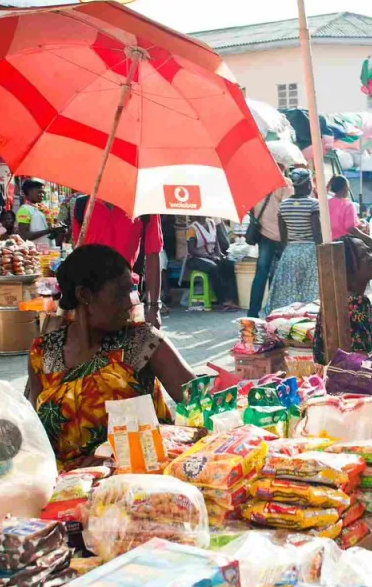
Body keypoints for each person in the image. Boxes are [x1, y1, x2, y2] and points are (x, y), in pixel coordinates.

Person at [27, 245, 194, 470]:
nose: (130, 302)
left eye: (132, 290)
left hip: (138, 484)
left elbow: (199, 406)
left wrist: (118, 454)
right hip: (65, 487)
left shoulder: (142, 341)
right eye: (120, 293)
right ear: (84, 295)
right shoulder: (45, 353)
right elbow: (31, 432)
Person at [72, 197, 164, 328]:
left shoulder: (144, 207)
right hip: (90, 299)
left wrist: (154, 307)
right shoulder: (82, 206)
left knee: (129, 346)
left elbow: (153, 253)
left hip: (126, 298)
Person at [313, 236, 372, 365]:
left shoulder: (357, 299)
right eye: (363, 256)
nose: (371, 257)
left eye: (369, 251)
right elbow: (360, 358)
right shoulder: (352, 304)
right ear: (348, 268)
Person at [267, 169, 321, 312]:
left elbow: (283, 236)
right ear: (309, 184)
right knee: (310, 290)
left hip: (290, 252)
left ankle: (287, 316)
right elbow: (317, 234)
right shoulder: (314, 204)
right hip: (310, 252)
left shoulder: (283, 205)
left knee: (290, 290)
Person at [247, 170, 293, 318]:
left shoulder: (257, 184)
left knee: (261, 273)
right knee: (280, 275)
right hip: (282, 236)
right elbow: (289, 208)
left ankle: (253, 313)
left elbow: (251, 207)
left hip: (264, 234)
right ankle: (275, 312)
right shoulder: (284, 183)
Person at [184, 216, 240, 311]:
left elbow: (216, 242)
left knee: (229, 264)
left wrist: (220, 255)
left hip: (210, 256)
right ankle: (222, 300)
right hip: (195, 259)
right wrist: (209, 257)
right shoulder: (192, 228)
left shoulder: (211, 223)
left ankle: (232, 299)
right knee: (213, 268)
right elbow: (192, 250)